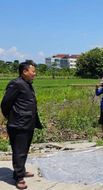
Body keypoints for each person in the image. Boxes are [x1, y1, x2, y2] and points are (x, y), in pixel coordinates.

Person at [1, 60, 43, 189]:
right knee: (19, 151)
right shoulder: (16, 84)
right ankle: (19, 177)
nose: (35, 74)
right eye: (33, 71)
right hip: (18, 124)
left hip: (28, 123)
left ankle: (21, 170)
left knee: (24, 150)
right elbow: (5, 104)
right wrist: (12, 117)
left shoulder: (27, 84)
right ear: (25, 71)